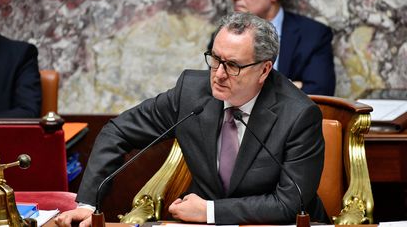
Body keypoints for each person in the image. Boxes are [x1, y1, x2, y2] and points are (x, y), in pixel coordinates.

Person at [55, 12, 327, 226]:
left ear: (264, 69)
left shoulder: (298, 114)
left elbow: (290, 202)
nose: (218, 74)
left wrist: (210, 211)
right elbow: (117, 131)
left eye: (232, 65)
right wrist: (88, 205)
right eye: (215, 59)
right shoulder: (191, 94)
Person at [208, 0, 336, 96]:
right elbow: (218, 87)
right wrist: (291, 86)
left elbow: (320, 91)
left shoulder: (313, 34)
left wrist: (255, 89)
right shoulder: (223, 35)